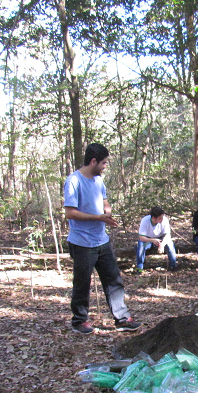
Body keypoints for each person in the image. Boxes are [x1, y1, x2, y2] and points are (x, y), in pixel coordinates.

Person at [63, 143, 141, 334]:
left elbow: (105, 200)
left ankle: (122, 319)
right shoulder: (74, 181)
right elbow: (70, 213)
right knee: (82, 284)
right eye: (104, 163)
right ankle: (79, 321)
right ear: (93, 161)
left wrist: (107, 212)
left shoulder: (98, 181)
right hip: (82, 242)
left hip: (102, 240)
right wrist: (98, 218)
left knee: (113, 280)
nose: (105, 166)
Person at [135, 206, 177, 272]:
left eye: (162, 217)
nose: (162, 219)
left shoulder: (165, 220)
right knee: (141, 245)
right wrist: (153, 240)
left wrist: (162, 245)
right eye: (160, 218)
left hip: (161, 238)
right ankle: (139, 268)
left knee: (170, 244)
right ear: (153, 218)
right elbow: (141, 237)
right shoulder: (145, 221)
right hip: (148, 240)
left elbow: (167, 235)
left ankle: (173, 266)